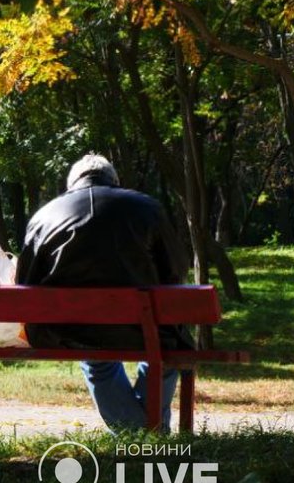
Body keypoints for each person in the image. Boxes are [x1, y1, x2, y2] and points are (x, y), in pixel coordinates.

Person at [16, 153, 192, 433]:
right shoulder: (147, 208)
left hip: (72, 331)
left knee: (98, 361)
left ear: (71, 185)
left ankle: (138, 435)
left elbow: (26, 285)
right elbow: (177, 269)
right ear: (114, 180)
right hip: (142, 328)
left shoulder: (44, 216)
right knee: (165, 356)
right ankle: (150, 436)